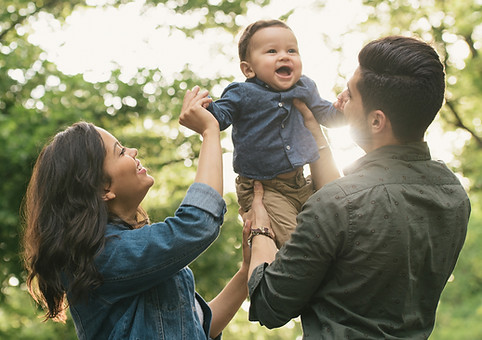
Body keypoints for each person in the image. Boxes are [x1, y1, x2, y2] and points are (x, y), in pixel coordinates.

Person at [245, 36, 471, 339]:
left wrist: (260, 231)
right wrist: (314, 130)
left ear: (377, 121)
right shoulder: (453, 193)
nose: (337, 100)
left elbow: (269, 305)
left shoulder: (337, 204)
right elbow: (361, 214)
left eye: (349, 95)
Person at [22, 86, 251, 340]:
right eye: (120, 151)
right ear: (102, 188)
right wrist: (210, 132)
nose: (133, 152)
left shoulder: (132, 255)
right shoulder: (104, 257)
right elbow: (196, 225)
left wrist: (246, 272)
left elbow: (199, 327)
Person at [205, 19, 344, 248]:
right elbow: (219, 117)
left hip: (301, 182)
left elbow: (327, 115)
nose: (284, 56)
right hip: (265, 188)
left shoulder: (305, 87)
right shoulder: (242, 92)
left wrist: (347, 111)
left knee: (330, 233)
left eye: (292, 50)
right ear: (248, 69)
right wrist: (206, 107)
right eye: (272, 51)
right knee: (297, 245)